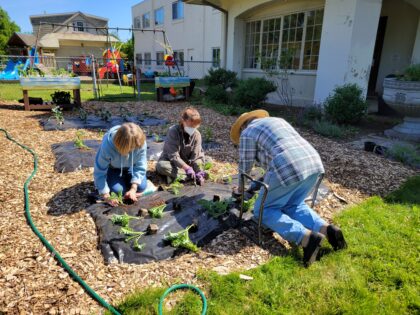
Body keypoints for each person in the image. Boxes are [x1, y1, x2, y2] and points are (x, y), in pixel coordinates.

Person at [231, 110, 347, 266]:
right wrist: (253, 186)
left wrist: (240, 188)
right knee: (293, 205)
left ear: (242, 127)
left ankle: (306, 238)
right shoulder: (278, 121)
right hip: (313, 163)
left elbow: (245, 166)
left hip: (289, 166)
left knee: (263, 210)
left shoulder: (247, 133)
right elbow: (275, 160)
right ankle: (327, 229)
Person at [94, 123, 148, 206]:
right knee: (118, 191)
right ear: (121, 145)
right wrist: (105, 194)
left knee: (141, 187)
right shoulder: (107, 146)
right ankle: (114, 180)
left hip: (131, 167)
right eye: (131, 148)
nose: (133, 149)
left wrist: (133, 188)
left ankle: (129, 184)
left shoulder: (140, 142)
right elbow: (100, 171)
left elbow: (140, 166)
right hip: (113, 169)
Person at [156, 107, 208, 185]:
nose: (192, 129)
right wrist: (187, 168)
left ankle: (189, 176)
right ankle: (189, 176)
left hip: (188, 162)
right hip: (172, 162)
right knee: (161, 166)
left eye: (195, 127)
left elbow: (196, 156)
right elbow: (173, 156)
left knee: (207, 160)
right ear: (183, 121)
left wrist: (199, 171)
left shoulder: (197, 135)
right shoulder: (173, 131)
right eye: (190, 126)